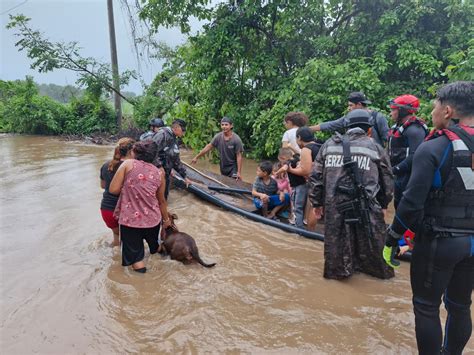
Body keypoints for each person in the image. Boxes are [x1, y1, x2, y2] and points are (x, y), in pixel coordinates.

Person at [384, 81, 474, 354]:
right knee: (460, 305)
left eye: (434, 106)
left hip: (439, 240)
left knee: (426, 307)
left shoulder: (435, 146)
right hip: (472, 244)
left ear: (447, 111)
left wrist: (393, 238)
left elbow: (411, 203)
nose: (431, 111)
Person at [309, 109, 394, 280]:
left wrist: (316, 203)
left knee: (336, 248)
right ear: (369, 130)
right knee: (373, 247)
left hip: (335, 208)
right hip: (368, 207)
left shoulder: (328, 145)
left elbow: (315, 177)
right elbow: (387, 180)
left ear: (346, 127)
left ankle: (338, 276)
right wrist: (384, 205)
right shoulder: (375, 148)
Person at [109, 141, 171, 273]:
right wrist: (166, 220)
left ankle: (144, 285)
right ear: (154, 156)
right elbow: (161, 201)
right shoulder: (160, 173)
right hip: (153, 221)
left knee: (136, 259)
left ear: (134, 152)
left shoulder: (128, 164)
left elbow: (113, 189)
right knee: (154, 247)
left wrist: (130, 188)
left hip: (130, 222)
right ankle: (164, 259)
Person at [387, 94, 429, 208]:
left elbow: (415, 155)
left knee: (404, 207)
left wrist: (394, 169)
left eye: (393, 109)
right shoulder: (398, 127)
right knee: (397, 204)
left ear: (402, 111)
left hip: (408, 176)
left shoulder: (415, 129)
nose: (391, 113)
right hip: (399, 176)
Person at [278, 127, 322, 230]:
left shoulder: (307, 149)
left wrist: (290, 170)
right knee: (316, 207)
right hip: (326, 180)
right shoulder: (320, 145)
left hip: (315, 182)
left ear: (299, 138)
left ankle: (303, 231)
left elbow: (305, 171)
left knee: (309, 207)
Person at [309, 92, 389, 147]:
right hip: (355, 154)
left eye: (351, 105)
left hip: (374, 155)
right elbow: (331, 125)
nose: (348, 108)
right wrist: (308, 129)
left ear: (359, 104)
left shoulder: (378, 117)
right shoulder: (349, 118)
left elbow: (387, 140)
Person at [99, 137, 135, 246]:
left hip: (107, 210)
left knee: (117, 238)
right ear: (131, 151)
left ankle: (115, 260)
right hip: (125, 210)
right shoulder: (133, 166)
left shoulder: (106, 165)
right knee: (131, 243)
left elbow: (103, 185)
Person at [151, 119, 192, 199]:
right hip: (156, 174)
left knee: (164, 197)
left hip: (166, 174)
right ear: (176, 127)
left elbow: (176, 160)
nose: (184, 133)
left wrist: (185, 177)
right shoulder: (162, 135)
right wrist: (159, 166)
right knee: (156, 198)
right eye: (183, 130)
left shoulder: (174, 139)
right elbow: (151, 152)